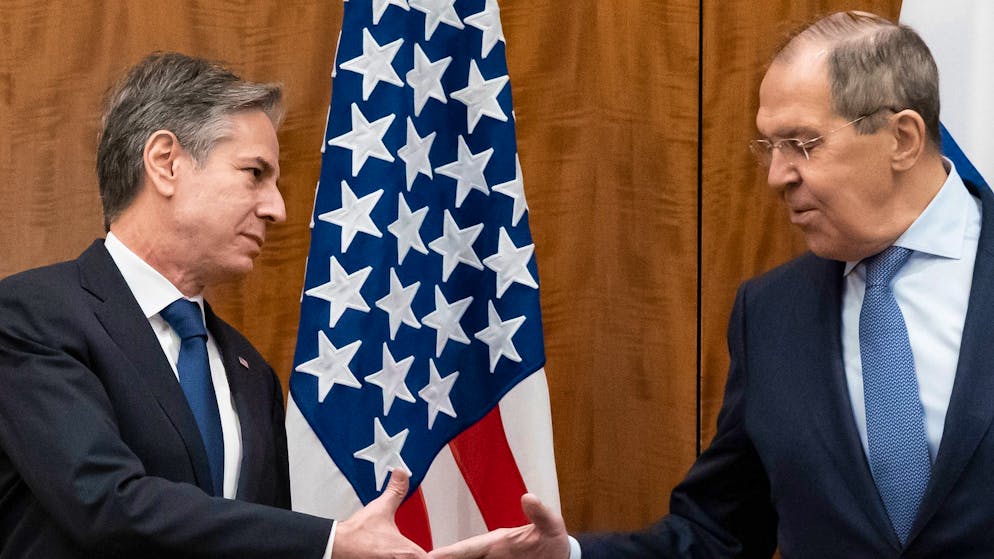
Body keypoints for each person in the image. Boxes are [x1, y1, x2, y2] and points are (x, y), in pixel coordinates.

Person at [429, 10, 994, 558]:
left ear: (902, 138)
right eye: (769, 147)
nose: (777, 176)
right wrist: (569, 556)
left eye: (802, 144)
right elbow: (719, 534)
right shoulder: (772, 312)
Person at [0, 52, 427, 559]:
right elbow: (105, 504)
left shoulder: (252, 374)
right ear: (166, 163)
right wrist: (331, 541)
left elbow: (259, 542)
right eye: (254, 173)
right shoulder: (32, 316)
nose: (277, 209)